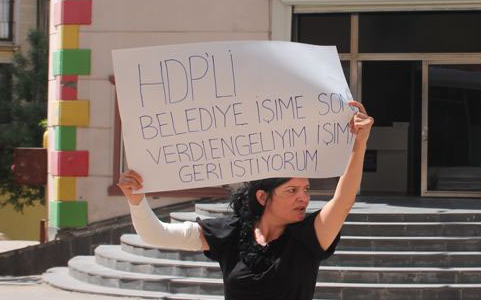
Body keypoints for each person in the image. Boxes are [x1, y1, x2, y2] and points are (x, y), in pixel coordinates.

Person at [117, 101, 374, 300]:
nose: (303, 198)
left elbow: (343, 201)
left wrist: (359, 143)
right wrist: (136, 200)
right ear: (263, 197)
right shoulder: (229, 234)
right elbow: (156, 235)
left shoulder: (308, 236)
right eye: (291, 190)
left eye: (306, 189)